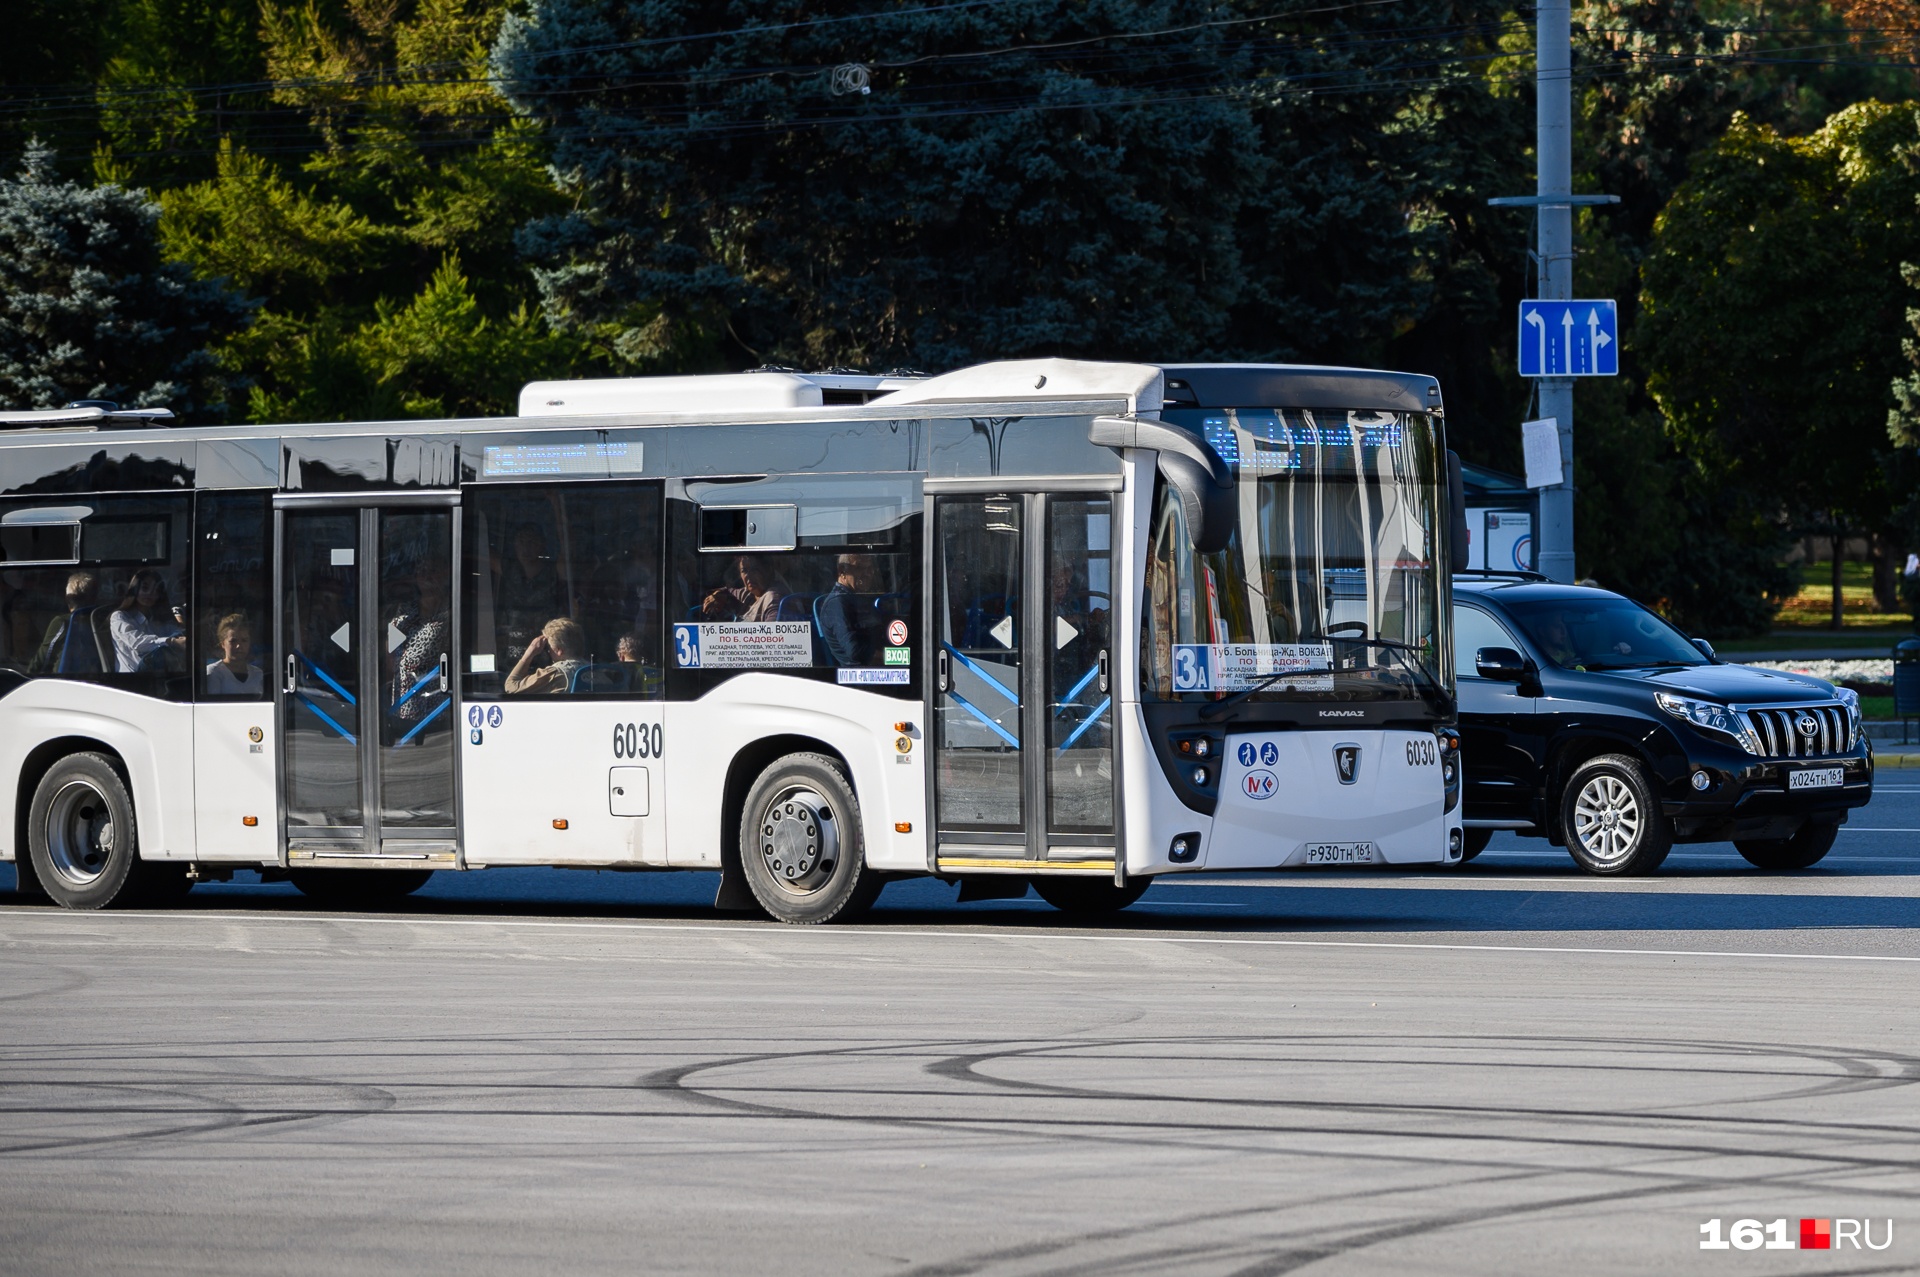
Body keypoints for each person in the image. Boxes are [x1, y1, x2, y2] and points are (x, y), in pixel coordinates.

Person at [391, 573, 451, 723]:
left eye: (433, 572)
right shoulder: (406, 608)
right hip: (403, 692)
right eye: (423, 572)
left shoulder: (448, 612)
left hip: (431, 692)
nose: (428, 577)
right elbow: (390, 648)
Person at [111, 568, 185, 673]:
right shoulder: (119, 617)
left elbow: (173, 631)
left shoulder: (156, 618)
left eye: (156, 590)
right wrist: (172, 641)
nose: (150, 594)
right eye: (145, 588)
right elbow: (138, 643)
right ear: (135, 589)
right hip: (133, 677)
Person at [29, 571, 99, 674]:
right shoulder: (101, 619)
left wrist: (24, 678)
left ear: (67, 599)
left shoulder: (63, 622)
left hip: (64, 680)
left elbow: (43, 659)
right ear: (94, 597)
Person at [817, 554, 879, 666]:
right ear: (842, 572)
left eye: (870, 569)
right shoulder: (836, 603)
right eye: (860, 568)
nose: (867, 574)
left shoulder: (858, 597)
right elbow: (855, 652)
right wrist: (890, 656)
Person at [504, 616, 589, 694]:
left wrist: (529, 654)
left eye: (548, 647)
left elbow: (511, 687)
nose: (548, 651)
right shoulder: (593, 669)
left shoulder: (556, 673)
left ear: (559, 650)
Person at [701, 555, 789, 622]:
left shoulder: (773, 597)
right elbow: (728, 591)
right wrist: (718, 596)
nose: (748, 576)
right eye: (744, 571)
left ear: (768, 570)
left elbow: (773, 635)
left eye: (755, 570)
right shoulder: (749, 594)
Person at [204, 613, 264, 695]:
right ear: (223, 644)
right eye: (233, 641)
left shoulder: (258, 673)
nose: (239, 646)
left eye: (244, 640)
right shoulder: (213, 672)